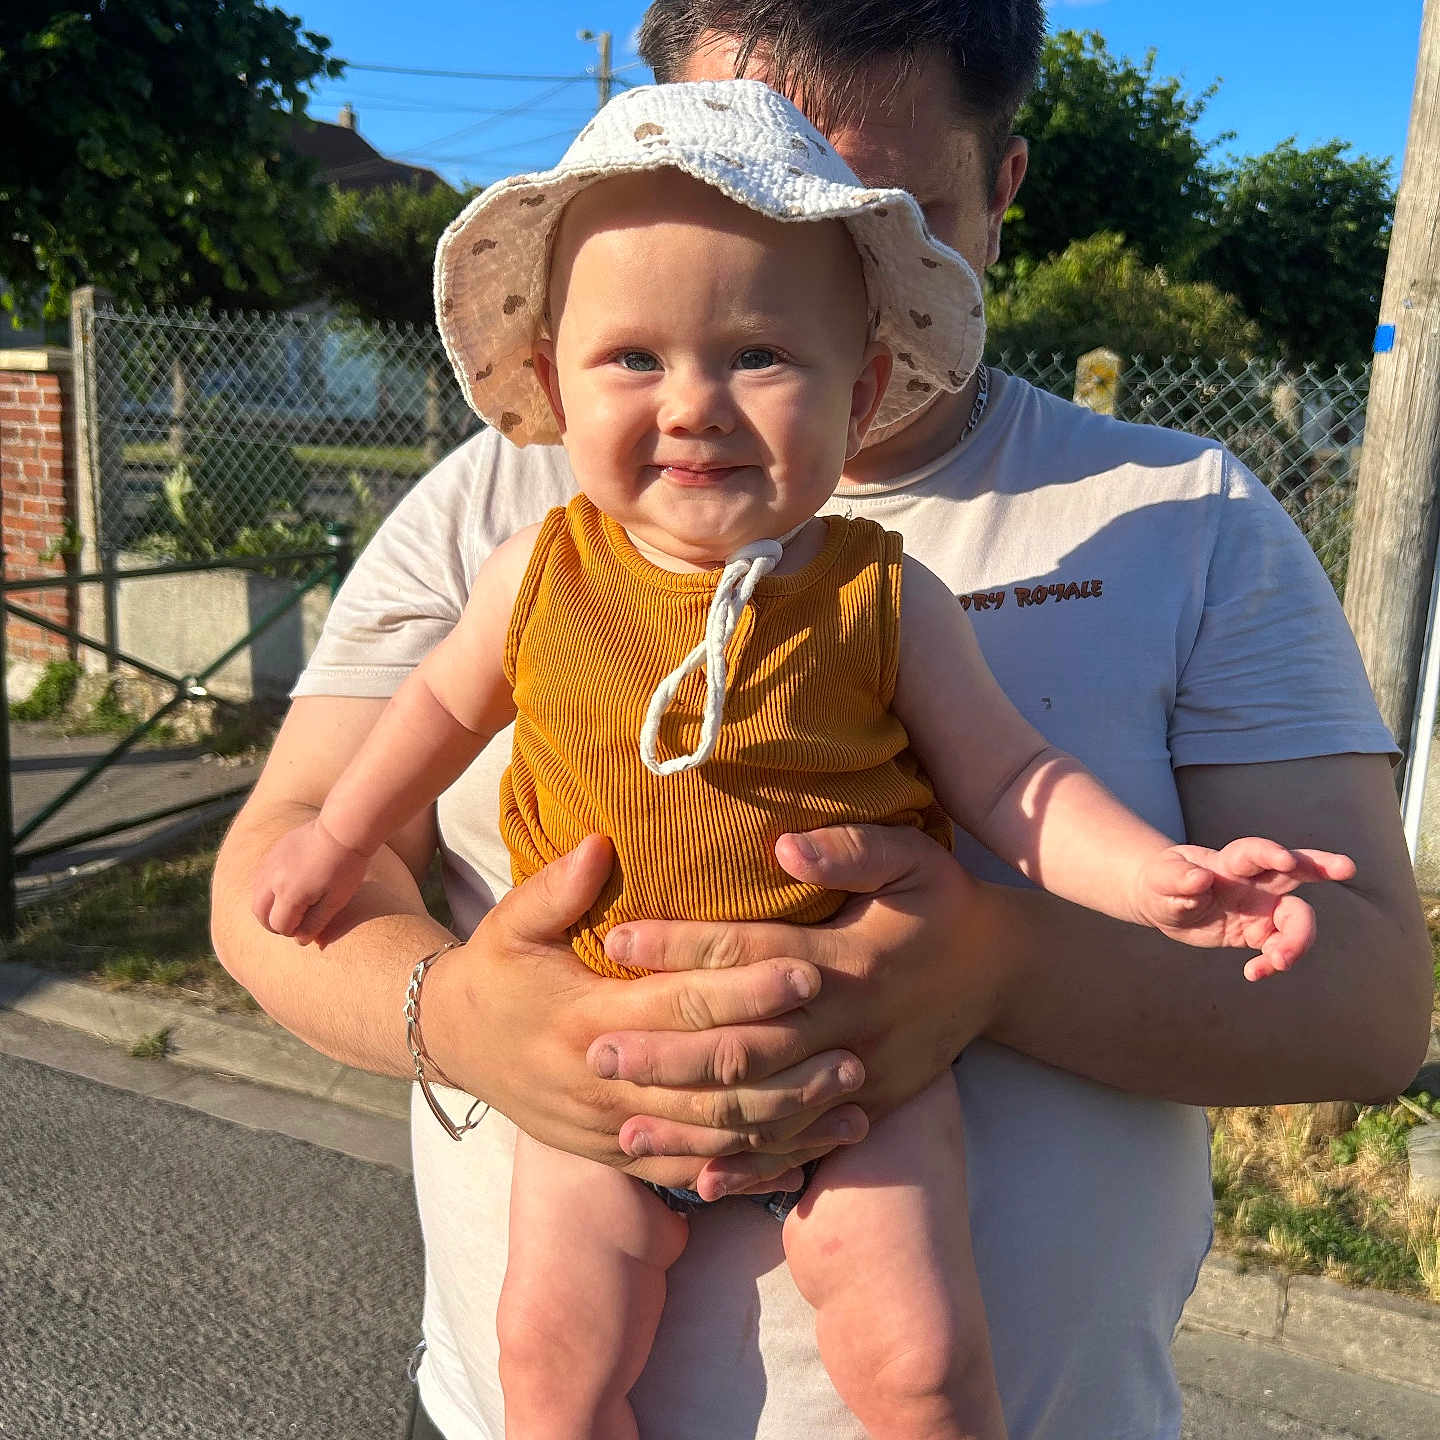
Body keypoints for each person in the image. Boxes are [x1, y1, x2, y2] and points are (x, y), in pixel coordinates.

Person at [209, 5, 1432, 1438]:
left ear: (987, 202)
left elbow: (1350, 1005)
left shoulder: (1161, 523)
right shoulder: (507, 530)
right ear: (554, 361)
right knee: (553, 1360)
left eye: (845, 215)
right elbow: (290, 863)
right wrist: (458, 1016)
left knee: (914, 1354)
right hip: (540, 1251)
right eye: (712, 186)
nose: (697, 402)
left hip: (933, 1218)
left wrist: (1010, 954)